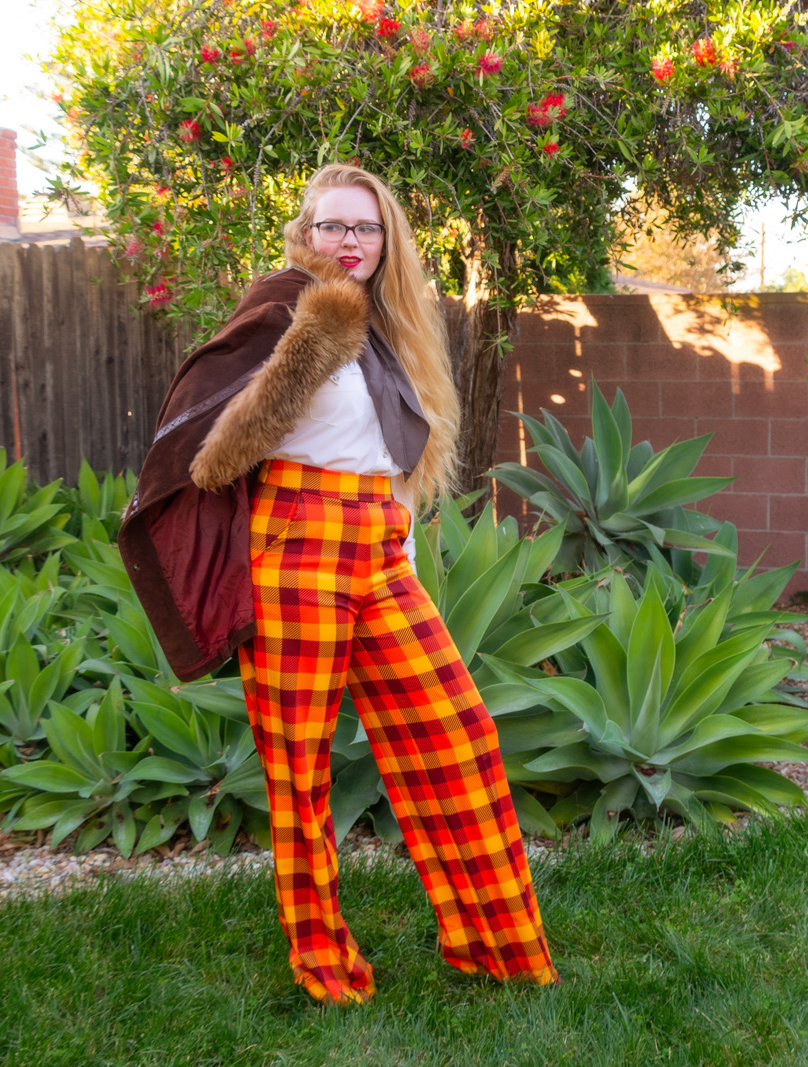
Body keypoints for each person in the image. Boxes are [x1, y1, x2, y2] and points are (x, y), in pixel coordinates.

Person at [117, 163, 557, 1005]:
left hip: (377, 549)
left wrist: (402, 533)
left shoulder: (391, 331)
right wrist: (315, 335)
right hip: (296, 550)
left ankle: (496, 943)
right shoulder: (286, 305)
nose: (348, 244)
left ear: (385, 238)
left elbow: (385, 457)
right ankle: (324, 963)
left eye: (364, 229)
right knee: (300, 769)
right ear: (305, 235)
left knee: (456, 735)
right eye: (332, 227)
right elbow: (216, 449)